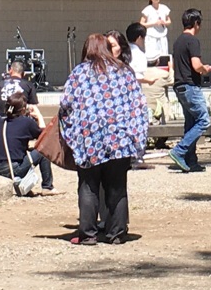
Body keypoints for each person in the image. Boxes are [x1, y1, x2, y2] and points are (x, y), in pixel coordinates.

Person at [59, 30, 151, 243]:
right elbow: (138, 104)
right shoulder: (124, 71)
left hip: (89, 138)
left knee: (88, 185)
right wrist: (137, 137)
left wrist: (70, 133)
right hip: (120, 137)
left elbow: (66, 104)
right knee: (117, 185)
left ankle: (88, 234)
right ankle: (116, 234)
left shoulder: (79, 73)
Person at [169, 8, 211, 174]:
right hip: (190, 86)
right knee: (203, 120)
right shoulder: (192, 41)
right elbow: (196, 65)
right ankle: (179, 150)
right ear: (196, 23)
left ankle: (191, 161)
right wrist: (205, 69)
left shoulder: (178, 41)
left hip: (179, 86)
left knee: (190, 123)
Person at [4, 87, 54, 192]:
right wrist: (39, 116)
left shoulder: (2, 121)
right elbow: (44, 137)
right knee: (43, 151)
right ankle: (47, 187)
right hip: (13, 168)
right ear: (23, 109)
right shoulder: (26, 122)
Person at [140, 0, 172, 68]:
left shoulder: (164, 8)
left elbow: (169, 21)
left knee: (163, 55)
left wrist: (164, 22)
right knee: (151, 55)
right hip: (151, 36)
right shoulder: (147, 9)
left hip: (162, 35)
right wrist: (154, 23)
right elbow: (142, 23)